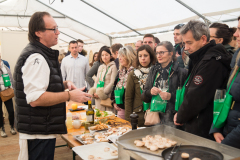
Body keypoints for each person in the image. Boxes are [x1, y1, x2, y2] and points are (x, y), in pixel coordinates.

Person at [14, 12, 92, 160]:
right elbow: (35, 98)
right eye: (54, 29)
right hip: (38, 132)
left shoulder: (39, 53)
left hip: (39, 128)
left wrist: (63, 84)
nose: (58, 32)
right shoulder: (36, 57)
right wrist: (69, 95)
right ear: (38, 33)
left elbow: (41, 84)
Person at [173, 20, 232, 139]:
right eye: (184, 43)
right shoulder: (199, 57)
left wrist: (181, 115)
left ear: (203, 39)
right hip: (197, 122)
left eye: (189, 43)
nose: (186, 48)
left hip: (204, 127)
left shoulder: (211, 62)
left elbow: (197, 95)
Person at [210, 16, 240, 149]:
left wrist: (228, 144)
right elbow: (228, 96)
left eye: (239, 29)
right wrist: (216, 127)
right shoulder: (237, 57)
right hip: (228, 130)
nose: (236, 34)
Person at [141, 42, 187, 127]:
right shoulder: (154, 70)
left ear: (171, 53)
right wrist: (150, 92)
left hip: (171, 119)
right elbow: (144, 97)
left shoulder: (181, 72)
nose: (158, 56)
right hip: (154, 118)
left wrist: (171, 97)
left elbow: (186, 99)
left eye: (162, 52)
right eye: (157, 53)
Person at [125, 45, 157, 127]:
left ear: (151, 56)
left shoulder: (157, 72)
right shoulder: (133, 74)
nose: (143, 58)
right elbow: (128, 98)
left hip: (154, 114)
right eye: (140, 56)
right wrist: (128, 119)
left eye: (145, 55)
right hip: (138, 115)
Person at [111, 46, 136, 119]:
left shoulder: (135, 71)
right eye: (119, 56)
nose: (120, 58)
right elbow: (115, 87)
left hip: (132, 107)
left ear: (129, 56)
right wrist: (114, 101)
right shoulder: (121, 71)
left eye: (122, 56)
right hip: (121, 106)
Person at [0, 57, 16, 137]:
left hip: (6, 91)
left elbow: (10, 77)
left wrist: (12, 88)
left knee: (11, 111)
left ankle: (12, 127)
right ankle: (2, 129)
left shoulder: (5, 64)